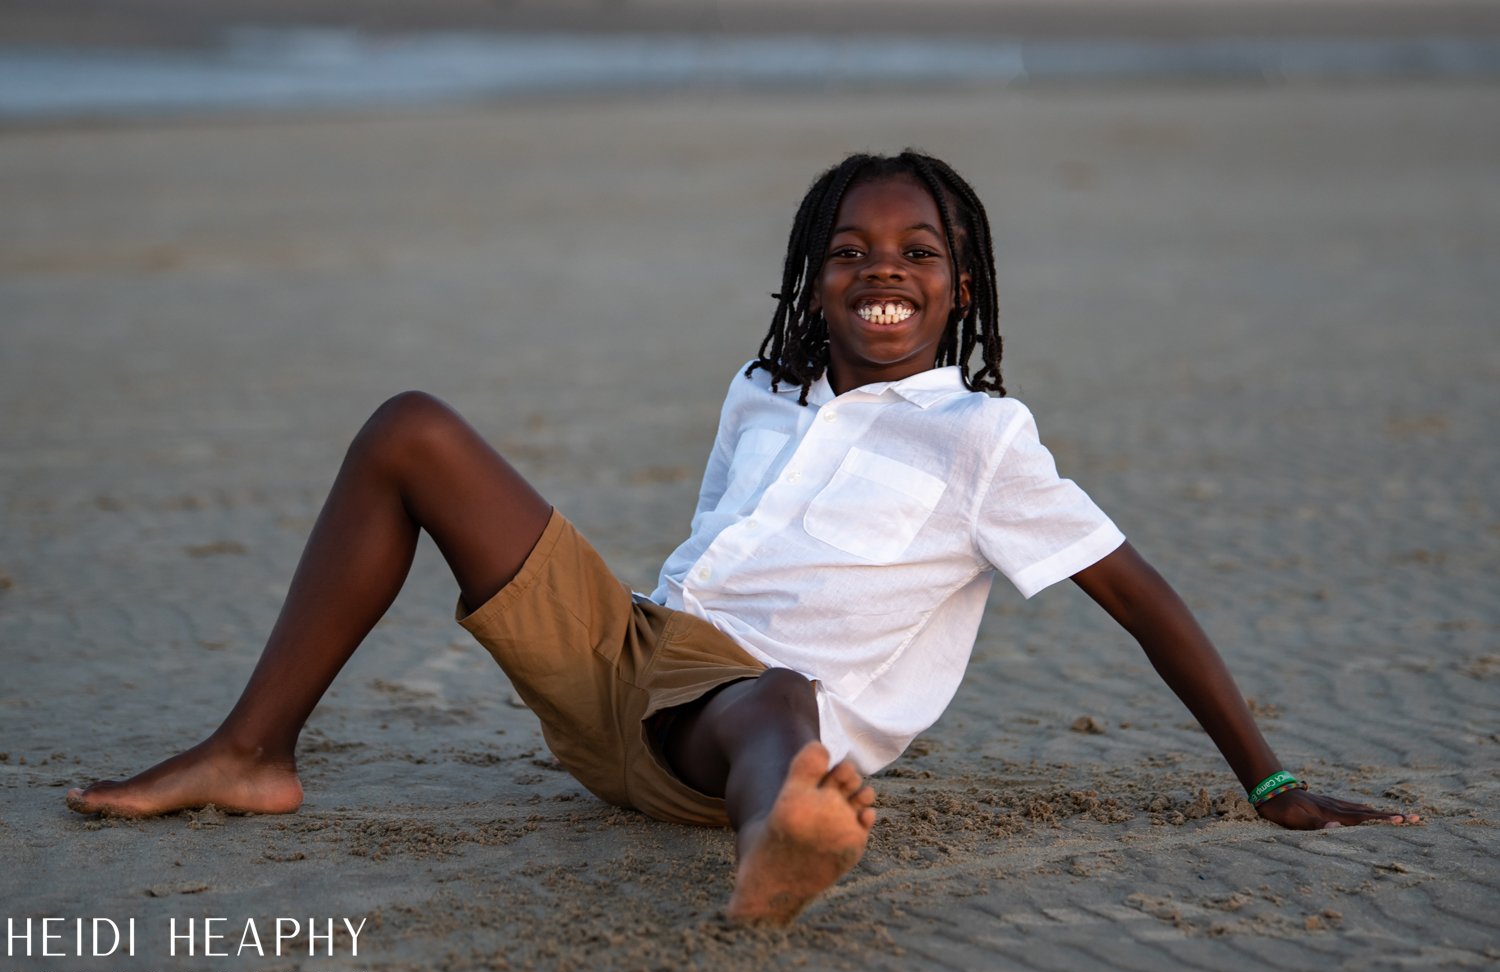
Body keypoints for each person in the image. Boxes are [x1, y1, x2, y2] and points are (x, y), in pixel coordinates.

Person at [67, 150, 1418, 924]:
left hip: (741, 726)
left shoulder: (983, 438)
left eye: (918, 252)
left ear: (964, 284)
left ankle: (784, 834)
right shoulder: (765, 386)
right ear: (807, 276)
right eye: (849, 249)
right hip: (625, 666)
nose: (881, 270)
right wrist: (619, 640)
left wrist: (1270, 779)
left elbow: (1140, 594)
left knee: (779, 691)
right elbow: (721, 542)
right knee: (410, 427)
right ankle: (253, 752)